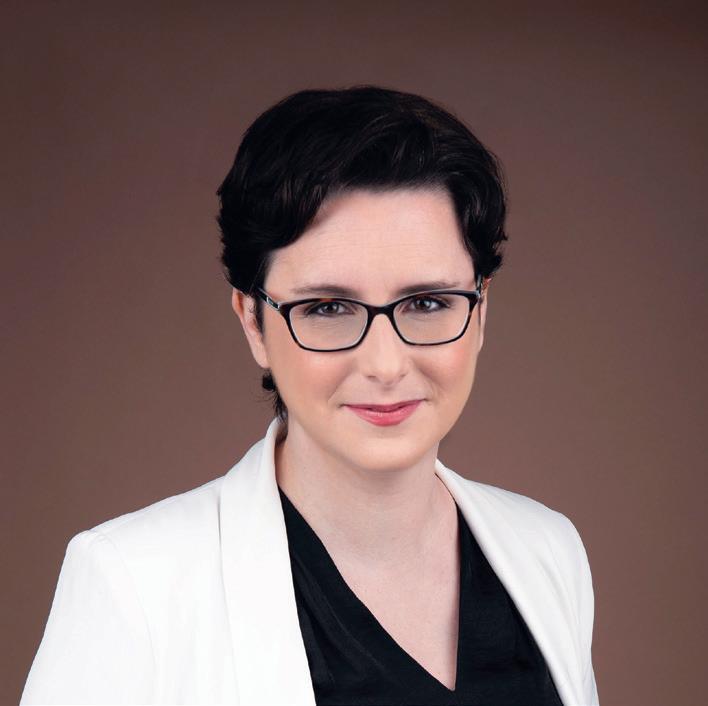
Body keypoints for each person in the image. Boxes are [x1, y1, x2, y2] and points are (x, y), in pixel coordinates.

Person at [20, 86, 599, 706]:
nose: (385, 364)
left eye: (428, 302)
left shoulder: (547, 550)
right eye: (327, 308)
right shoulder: (134, 583)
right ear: (253, 321)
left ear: (480, 312)